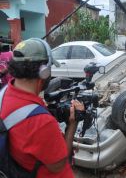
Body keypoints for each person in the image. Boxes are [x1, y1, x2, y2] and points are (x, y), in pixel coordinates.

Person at [0, 38, 84, 177]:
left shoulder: (3, 94)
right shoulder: (41, 122)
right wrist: (72, 125)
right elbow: (59, 165)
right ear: (44, 71)